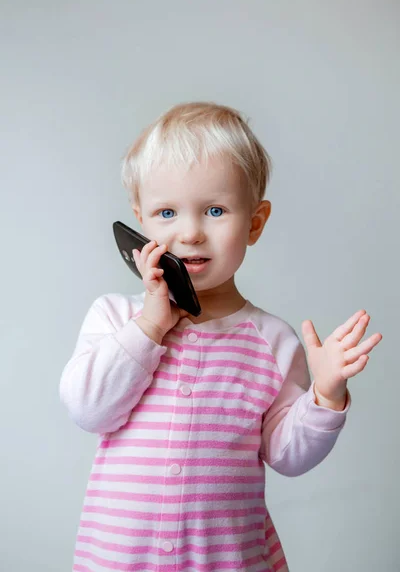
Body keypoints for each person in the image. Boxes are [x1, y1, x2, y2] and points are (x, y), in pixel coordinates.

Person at [60, 102, 382, 572]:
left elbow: (286, 455)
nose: (190, 233)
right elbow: (89, 410)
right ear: (141, 221)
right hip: (118, 560)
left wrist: (326, 397)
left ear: (254, 222)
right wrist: (150, 325)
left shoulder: (272, 339)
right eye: (166, 212)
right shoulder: (114, 318)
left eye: (215, 210)